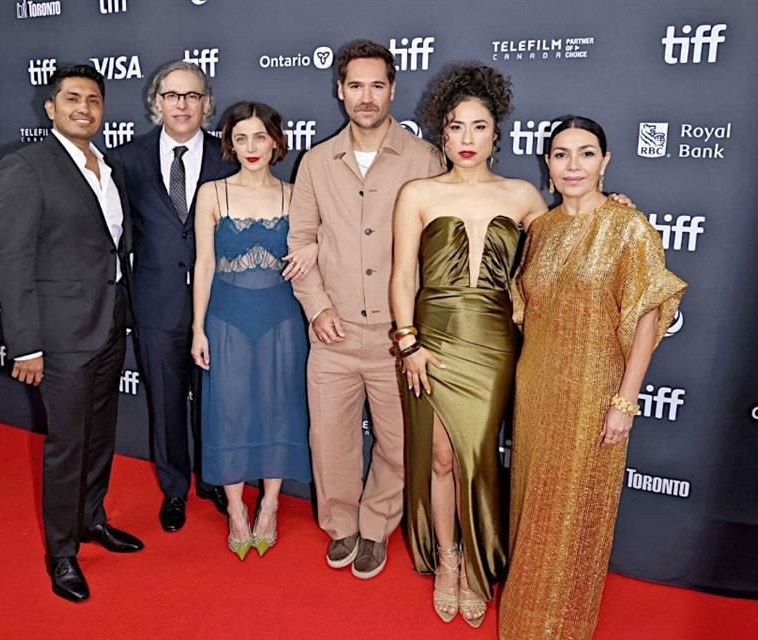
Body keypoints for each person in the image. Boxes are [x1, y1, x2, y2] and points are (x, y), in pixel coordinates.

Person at [497, 116, 686, 639]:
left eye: (585, 154)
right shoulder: (541, 228)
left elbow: (647, 315)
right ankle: (523, 617)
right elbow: (526, 309)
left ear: (605, 162)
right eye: (560, 154)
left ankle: (561, 627)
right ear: (548, 164)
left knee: (574, 509)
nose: (572, 165)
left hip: (595, 388)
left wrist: (625, 401)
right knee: (533, 501)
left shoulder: (630, 227)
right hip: (536, 384)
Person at [389, 64, 546, 628]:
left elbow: (565, 250)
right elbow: (403, 276)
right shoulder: (419, 193)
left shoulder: (524, 195)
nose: (468, 140)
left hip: (493, 341)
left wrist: (611, 206)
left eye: (479, 127)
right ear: (442, 134)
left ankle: (481, 566)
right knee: (438, 455)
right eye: (457, 128)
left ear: (497, 133)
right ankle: (449, 560)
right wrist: (408, 343)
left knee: (478, 456)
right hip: (430, 339)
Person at [288, 39, 445, 579]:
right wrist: (315, 306)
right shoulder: (314, 162)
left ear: (393, 89)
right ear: (340, 91)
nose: (366, 96)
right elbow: (301, 240)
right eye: (355, 85)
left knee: (399, 444)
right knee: (329, 442)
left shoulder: (426, 159)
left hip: (397, 338)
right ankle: (342, 525)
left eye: (377, 85)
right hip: (331, 334)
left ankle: (377, 525)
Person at [0, 64, 144, 603]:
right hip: (58, 336)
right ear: (51, 108)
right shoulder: (25, 167)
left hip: (108, 324)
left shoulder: (110, 168)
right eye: (73, 98)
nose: (85, 107)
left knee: (100, 434)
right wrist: (26, 344)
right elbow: (10, 261)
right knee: (66, 444)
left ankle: (90, 519)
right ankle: (61, 552)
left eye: (95, 99)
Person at [111, 61, 236, 531]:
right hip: (155, 303)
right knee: (164, 403)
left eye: (192, 95)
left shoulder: (229, 155)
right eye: (172, 96)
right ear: (156, 103)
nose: (182, 105)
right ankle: (174, 489)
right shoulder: (126, 160)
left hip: (219, 302)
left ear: (206, 104)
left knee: (216, 401)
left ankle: (214, 481)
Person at [190, 102, 315, 559]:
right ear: (229, 143)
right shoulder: (213, 193)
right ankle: (237, 510)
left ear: (276, 141)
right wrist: (197, 327)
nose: (250, 147)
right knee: (229, 410)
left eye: (259, 137)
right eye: (240, 138)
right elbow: (204, 264)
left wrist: (316, 245)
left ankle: (270, 504)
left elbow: (319, 240)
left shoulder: (294, 194)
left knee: (279, 407)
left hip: (282, 318)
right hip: (225, 318)